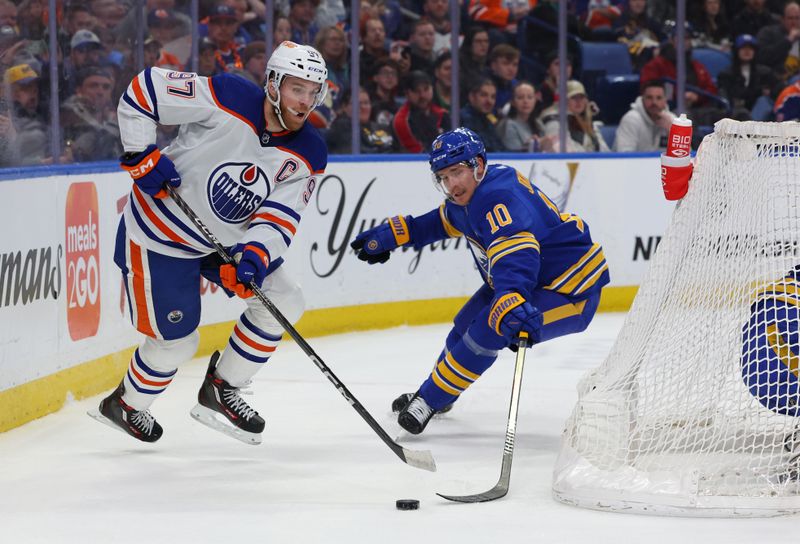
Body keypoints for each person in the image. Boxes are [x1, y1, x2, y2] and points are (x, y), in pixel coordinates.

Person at [92, 41, 328, 444]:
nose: (305, 101)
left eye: (313, 91)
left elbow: (279, 216)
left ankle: (223, 388)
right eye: (296, 88)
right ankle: (126, 405)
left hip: (219, 244)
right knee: (178, 346)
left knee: (285, 299)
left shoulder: (310, 152)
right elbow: (144, 90)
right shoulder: (229, 95)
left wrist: (254, 254)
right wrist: (141, 152)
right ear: (272, 83)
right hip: (159, 235)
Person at [350, 127, 609, 434]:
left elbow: (518, 251)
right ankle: (439, 393)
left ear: (479, 165)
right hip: (535, 278)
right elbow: (444, 221)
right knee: (465, 323)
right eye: (444, 177)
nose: (452, 184)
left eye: (457, 172)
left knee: (491, 324)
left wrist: (511, 294)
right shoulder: (474, 193)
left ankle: (430, 398)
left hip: (570, 289)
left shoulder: (496, 197)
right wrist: (398, 233)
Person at [541, 80, 609, 153]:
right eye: (574, 97)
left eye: (581, 97)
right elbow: (563, 150)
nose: (578, 101)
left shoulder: (587, 122)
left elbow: (604, 150)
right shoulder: (554, 121)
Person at [613, 80, 674, 152]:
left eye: (659, 98)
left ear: (665, 100)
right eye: (649, 97)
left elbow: (686, 156)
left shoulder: (672, 120)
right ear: (642, 99)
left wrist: (671, 131)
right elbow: (624, 154)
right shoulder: (631, 119)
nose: (654, 102)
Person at [496, 81, 553, 152]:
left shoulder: (537, 122)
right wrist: (531, 146)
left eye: (530, 97)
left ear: (535, 100)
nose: (525, 101)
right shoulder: (507, 125)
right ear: (512, 102)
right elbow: (513, 155)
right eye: (520, 97)